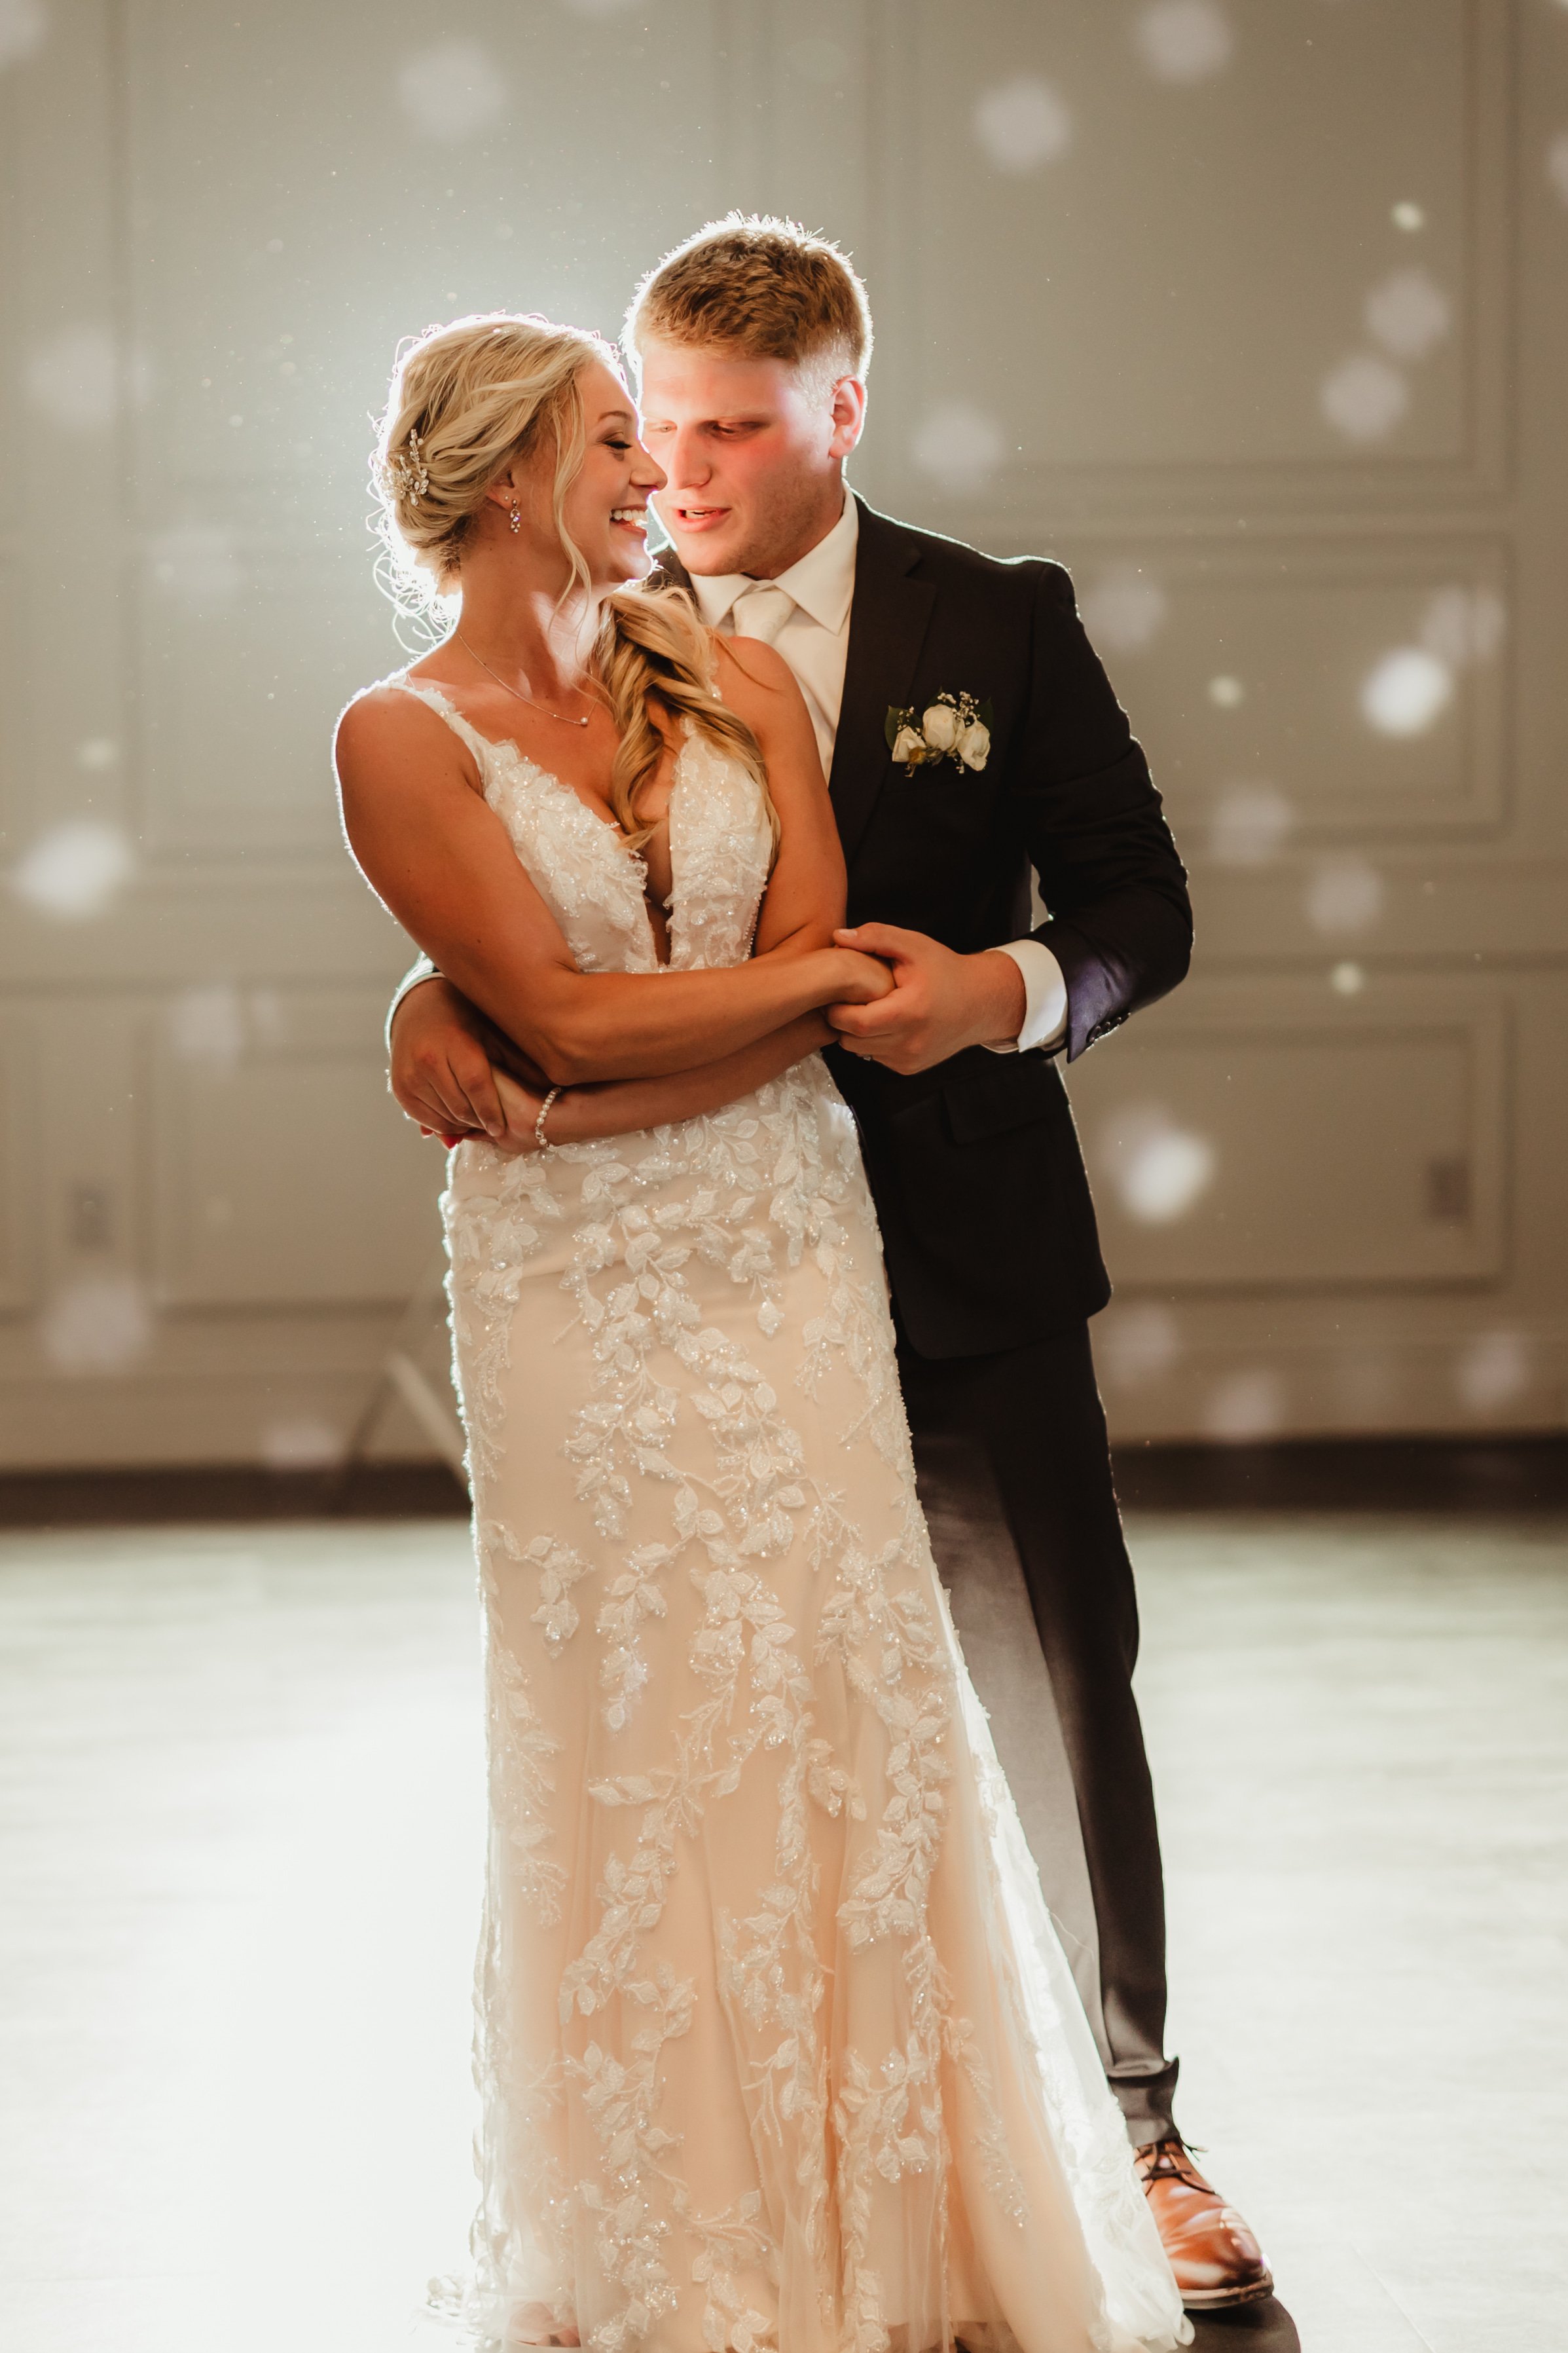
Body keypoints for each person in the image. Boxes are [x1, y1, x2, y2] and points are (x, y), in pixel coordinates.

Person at [386, 223, 1271, 2316]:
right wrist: (421, 994)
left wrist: (1004, 991)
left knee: (1052, 1682)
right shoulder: (589, 602)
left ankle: (1131, 2134)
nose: (678, 469)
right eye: (652, 423)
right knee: (723, 1713)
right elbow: (530, 880)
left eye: (728, 430)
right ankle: (772, 2162)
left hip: (957, 1233)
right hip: (669, 1253)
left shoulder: (997, 617)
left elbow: (1140, 903)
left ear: (842, 412)